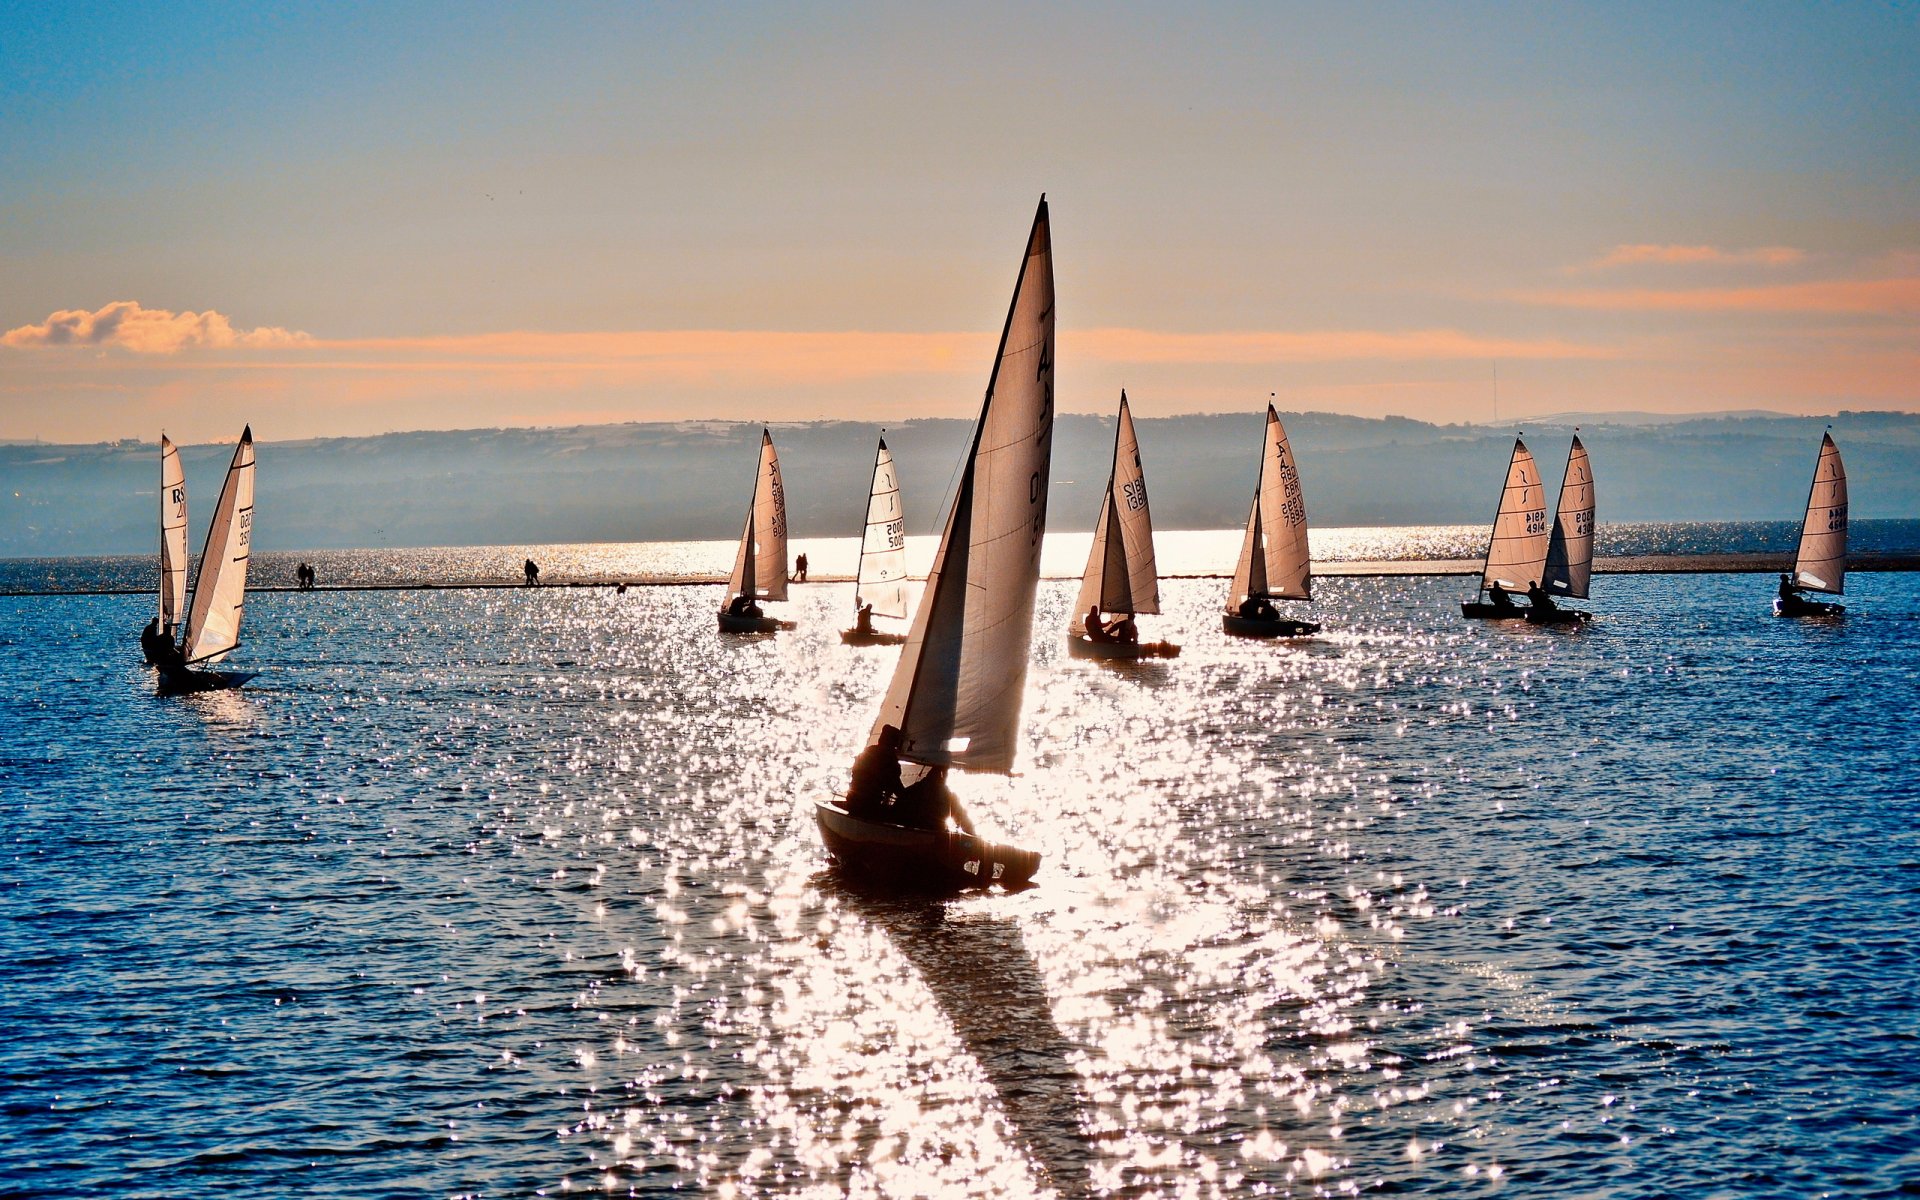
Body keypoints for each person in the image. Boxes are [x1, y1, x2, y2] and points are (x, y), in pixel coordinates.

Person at [846, 725, 906, 819]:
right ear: (894, 744)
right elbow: (896, 786)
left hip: (852, 802)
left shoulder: (867, 752)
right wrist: (908, 798)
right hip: (869, 807)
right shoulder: (889, 759)